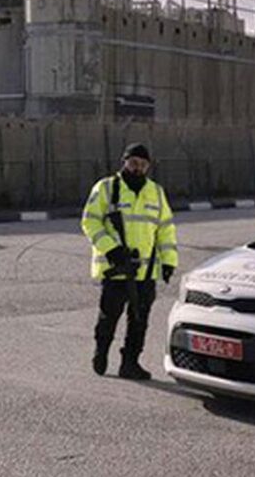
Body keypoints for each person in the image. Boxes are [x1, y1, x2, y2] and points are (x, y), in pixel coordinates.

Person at [81, 143, 178, 381]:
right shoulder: (107, 188)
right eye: (134, 163)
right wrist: (111, 249)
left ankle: (130, 363)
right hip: (116, 269)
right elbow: (90, 222)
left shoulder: (155, 191)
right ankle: (101, 352)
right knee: (109, 316)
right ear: (124, 162)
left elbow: (165, 229)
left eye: (143, 165)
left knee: (139, 321)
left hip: (145, 272)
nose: (138, 168)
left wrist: (169, 262)